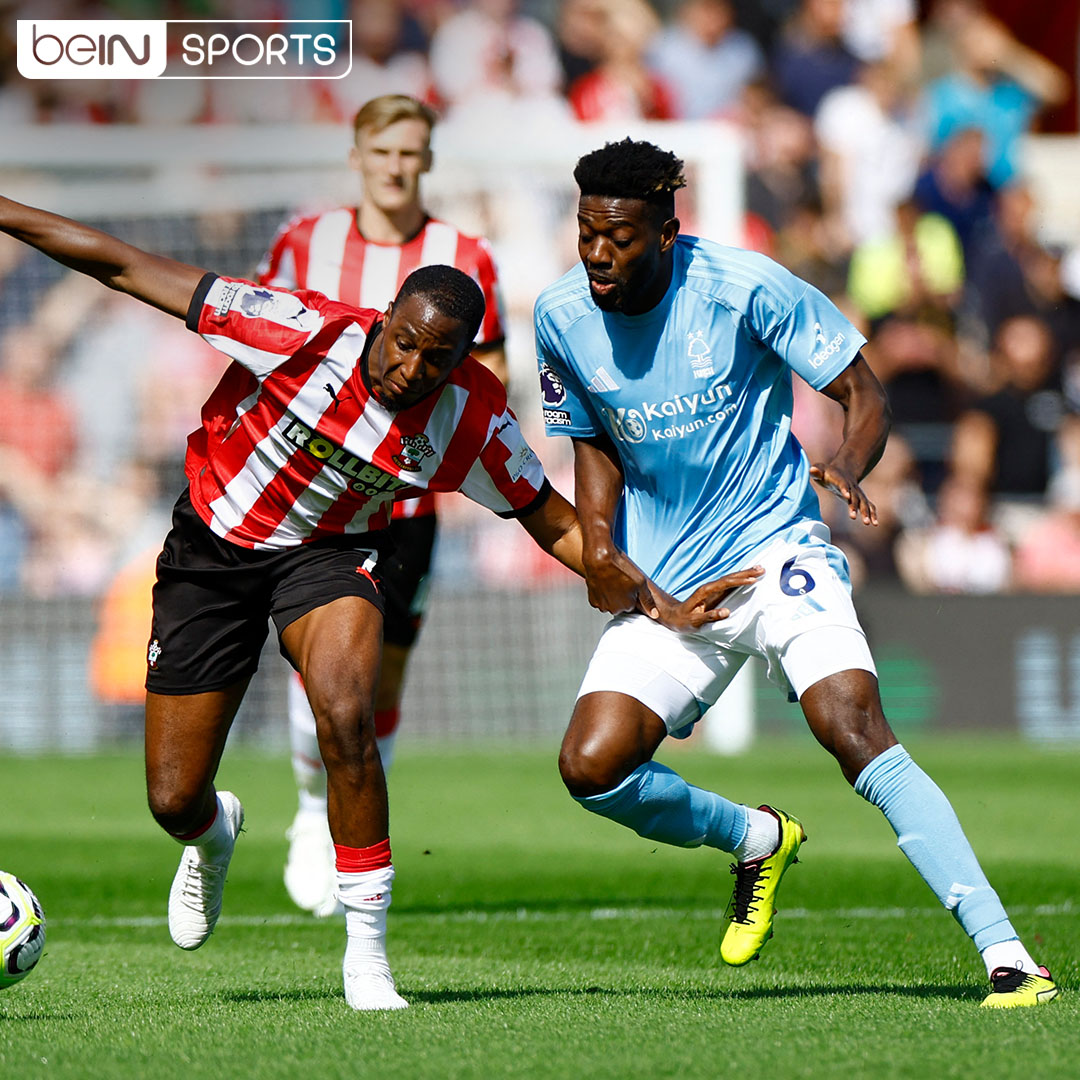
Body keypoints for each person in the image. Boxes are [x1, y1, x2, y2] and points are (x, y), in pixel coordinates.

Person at [0, 190, 727, 1012]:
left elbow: (550, 518)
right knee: (172, 799)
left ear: (463, 365)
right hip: (211, 552)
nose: (410, 370)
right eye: (405, 344)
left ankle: (367, 957)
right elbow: (124, 264)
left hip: (328, 556)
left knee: (346, 715)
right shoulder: (298, 329)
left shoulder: (471, 422)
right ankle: (211, 836)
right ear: (382, 319)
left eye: (437, 361)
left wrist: (652, 599)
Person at [533, 138, 1058, 1008]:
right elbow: (590, 443)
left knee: (850, 725)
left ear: (665, 231)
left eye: (617, 237)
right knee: (591, 768)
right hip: (677, 589)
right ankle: (754, 836)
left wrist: (849, 463)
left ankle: (1008, 956)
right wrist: (603, 553)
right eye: (585, 232)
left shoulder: (744, 287)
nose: (596, 253)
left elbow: (866, 394)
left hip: (779, 550)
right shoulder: (561, 314)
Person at [257, 93, 508, 918]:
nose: (399, 165)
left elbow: (489, 371)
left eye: (413, 151)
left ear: (427, 159)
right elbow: (266, 345)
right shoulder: (306, 242)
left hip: (404, 507)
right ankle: (309, 812)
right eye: (385, 151)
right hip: (313, 500)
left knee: (384, 670)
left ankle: (352, 821)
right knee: (325, 666)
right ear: (359, 155)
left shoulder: (462, 254)